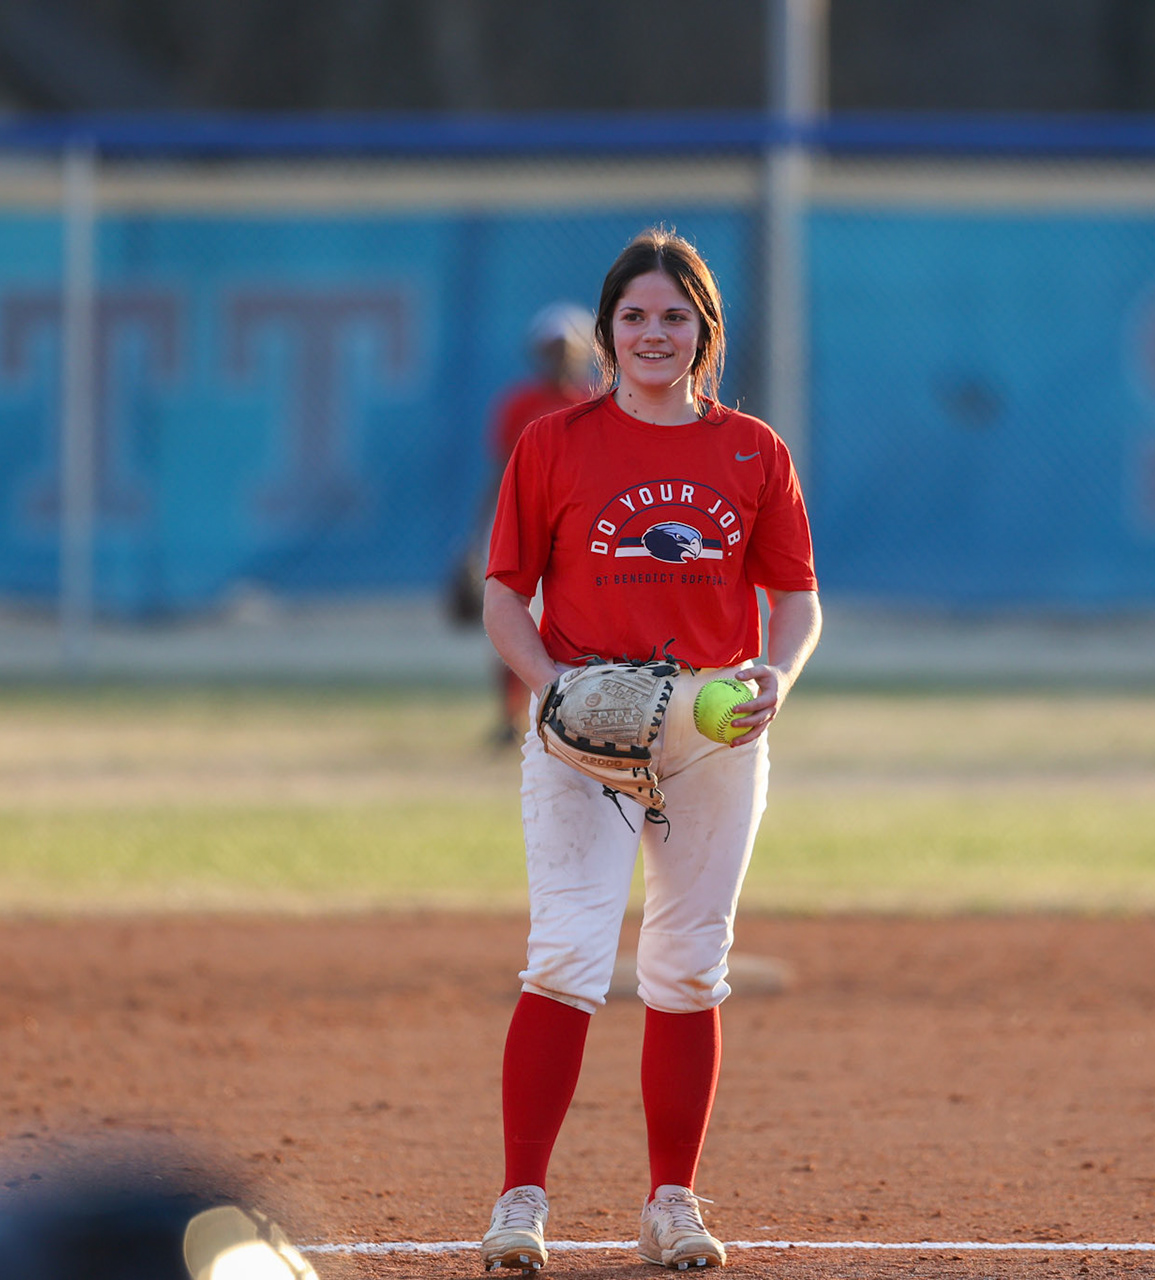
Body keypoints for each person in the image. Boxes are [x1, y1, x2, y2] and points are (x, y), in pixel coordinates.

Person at [478, 227, 822, 1273]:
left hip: (710, 728)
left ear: (704, 332)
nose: (654, 333)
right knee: (565, 955)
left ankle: (672, 1199)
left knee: (687, 963)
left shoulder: (753, 449)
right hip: (584, 726)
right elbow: (503, 593)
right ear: (607, 330)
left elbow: (797, 601)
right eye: (635, 315)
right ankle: (520, 1201)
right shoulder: (555, 443)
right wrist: (553, 689)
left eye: (676, 315)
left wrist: (777, 674)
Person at [457, 302, 597, 747]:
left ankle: (579, 713)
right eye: (551, 348)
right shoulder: (519, 405)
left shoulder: (592, 406)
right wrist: (476, 538)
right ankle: (511, 716)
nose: (559, 357)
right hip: (522, 523)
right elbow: (499, 471)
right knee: (514, 621)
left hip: (574, 529)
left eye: (568, 348)